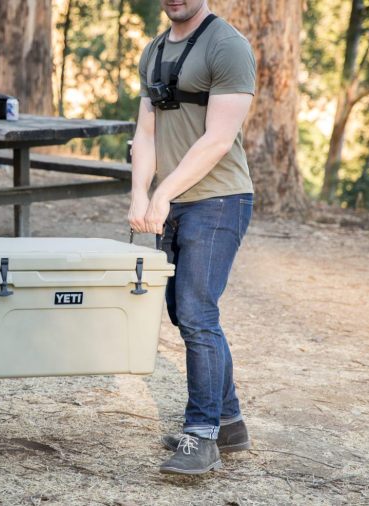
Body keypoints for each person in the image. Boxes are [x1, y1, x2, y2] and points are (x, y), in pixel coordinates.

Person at [129, 0, 256, 475]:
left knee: (199, 313)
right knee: (183, 312)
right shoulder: (155, 50)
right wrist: (141, 192)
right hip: (173, 200)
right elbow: (145, 131)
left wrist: (163, 192)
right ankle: (229, 422)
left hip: (220, 199)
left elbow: (218, 140)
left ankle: (200, 435)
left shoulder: (228, 47)